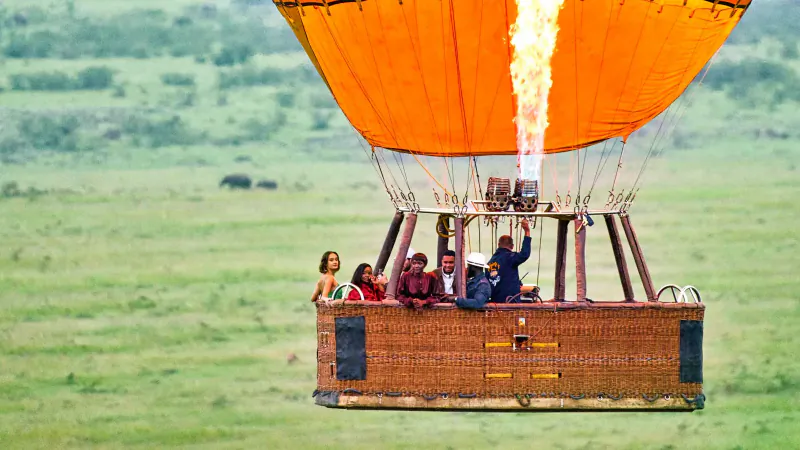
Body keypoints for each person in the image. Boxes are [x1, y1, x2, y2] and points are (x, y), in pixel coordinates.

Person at [487, 218, 531, 303]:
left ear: (498, 244)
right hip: (510, 304)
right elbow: (524, 254)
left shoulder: (490, 262)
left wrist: (517, 282)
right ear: (512, 246)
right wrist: (527, 231)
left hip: (495, 304)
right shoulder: (510, 258)